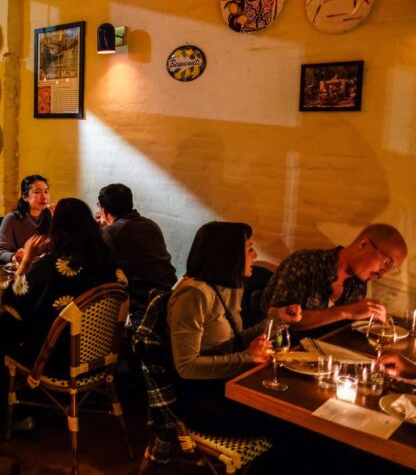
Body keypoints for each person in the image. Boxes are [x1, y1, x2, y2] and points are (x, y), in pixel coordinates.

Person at [167, 222, 301, 433]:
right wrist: (248, 358)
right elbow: (186, 367)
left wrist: (276, 321)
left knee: (290, 402)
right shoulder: (194, 294)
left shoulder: (225, 286)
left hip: (228, 383)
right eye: (249, 249)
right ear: (228, 256)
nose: (255, 255)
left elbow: (233, 342)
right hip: (202, 396)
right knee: (286, 418)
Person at [0, 198, 126, 376]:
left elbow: (9, 297)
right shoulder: (109, 264)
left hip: (55, 362)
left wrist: (26, 260)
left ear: (56, 229)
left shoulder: (50, 266)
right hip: (100, 358)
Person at [263, 224, 408, 335]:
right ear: (363, 244)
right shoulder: (305, 263)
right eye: (386, 263)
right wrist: (345, 312)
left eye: (392, 268)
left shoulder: (358, 282)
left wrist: (370, 319)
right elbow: (278, 320)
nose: (385, 273)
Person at [97, 183, 177, 313]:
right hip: (171, 295)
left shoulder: (111, 233)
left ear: (104, 211)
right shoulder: (151, 224)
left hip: (145, 304)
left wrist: (98, 230)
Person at [0, 175, 52, 265]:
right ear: (25, 197)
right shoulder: (11, 219)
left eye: (46, 192)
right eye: (37, 192)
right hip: (19, 269)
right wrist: (15, 256)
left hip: (43, 268)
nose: (44, 197)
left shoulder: (49, 217)